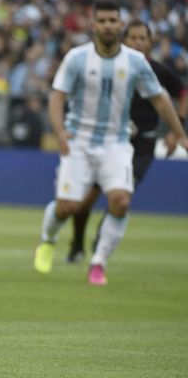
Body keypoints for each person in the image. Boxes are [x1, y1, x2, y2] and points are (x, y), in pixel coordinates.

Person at [32, 0, 188, 285]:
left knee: (120, 200)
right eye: (102, 21)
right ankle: (47, 240)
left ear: (120, 24)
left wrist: (179, 133)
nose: (107, 26)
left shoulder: (135, 61)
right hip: (78, 141)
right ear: (93, 25)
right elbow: (57, 95)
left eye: (112, 21)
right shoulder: (76, 58)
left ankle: (98, 262)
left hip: (116, 143)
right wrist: (59, 130)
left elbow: (160, 99)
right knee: (67, 206)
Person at [66, 19, 188, 263]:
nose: (138, 43)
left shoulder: (158, 70)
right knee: (85, 200)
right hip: (106, 141)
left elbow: (182, 93)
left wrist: (177, 131)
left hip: (141, 146)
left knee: (120, 197)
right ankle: (77, 243)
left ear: (150, 42)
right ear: (124, 40)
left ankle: (100, 246)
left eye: (143, 38)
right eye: (133, 38)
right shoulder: (109, 67)